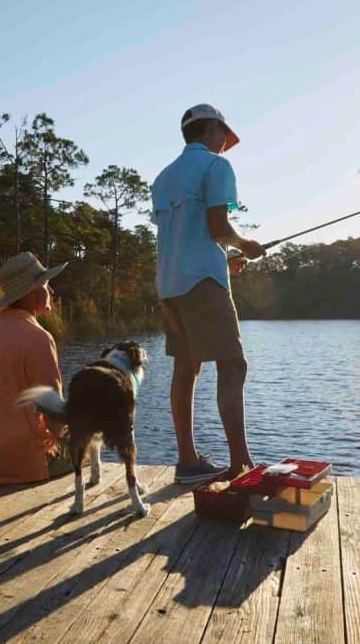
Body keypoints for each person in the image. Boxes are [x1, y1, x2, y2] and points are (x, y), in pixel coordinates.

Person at [150, 103, 267, 484]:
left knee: (186, 367)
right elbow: (218, 226)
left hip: (169, 284)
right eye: (223, 134)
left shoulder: (164, 177)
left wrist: (225, 261)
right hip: (202, 282)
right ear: (213, 129)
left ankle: (187, 461)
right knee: (233, 364)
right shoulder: (217, 166)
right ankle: (240, 464)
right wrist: (245, 244)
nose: (224, 142)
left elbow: (183, 236)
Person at [0, 252, 72, 484]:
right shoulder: (39, 338)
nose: (52, 291)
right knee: (86, 446)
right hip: (20, 461)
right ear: (33, 292)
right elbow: (54, 414)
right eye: (47, 285)